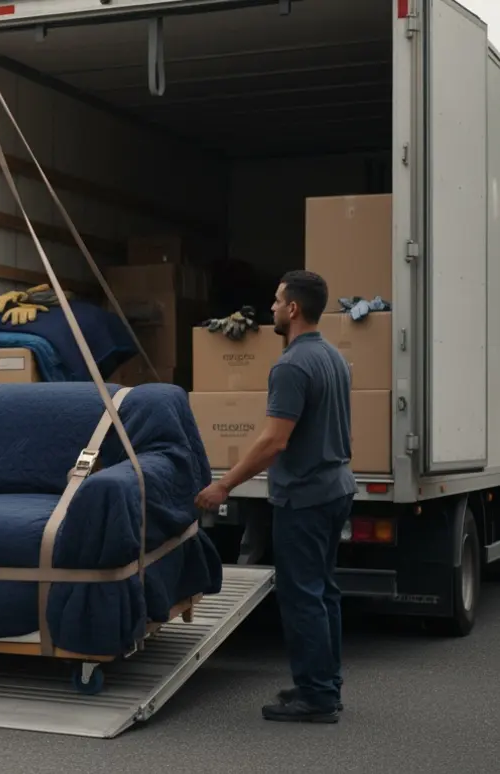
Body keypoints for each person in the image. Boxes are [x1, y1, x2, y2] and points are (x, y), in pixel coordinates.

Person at [195, 269, 354, 724]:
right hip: (336, 488)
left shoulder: (290, 366)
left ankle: (317, 698)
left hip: (305, 496)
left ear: (293, 309)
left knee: (302, 595)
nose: (270, 308)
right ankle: (324, 684)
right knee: (323, 592)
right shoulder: (333, 358)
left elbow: (273, 442)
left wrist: (223, 485)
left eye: (276, 301)